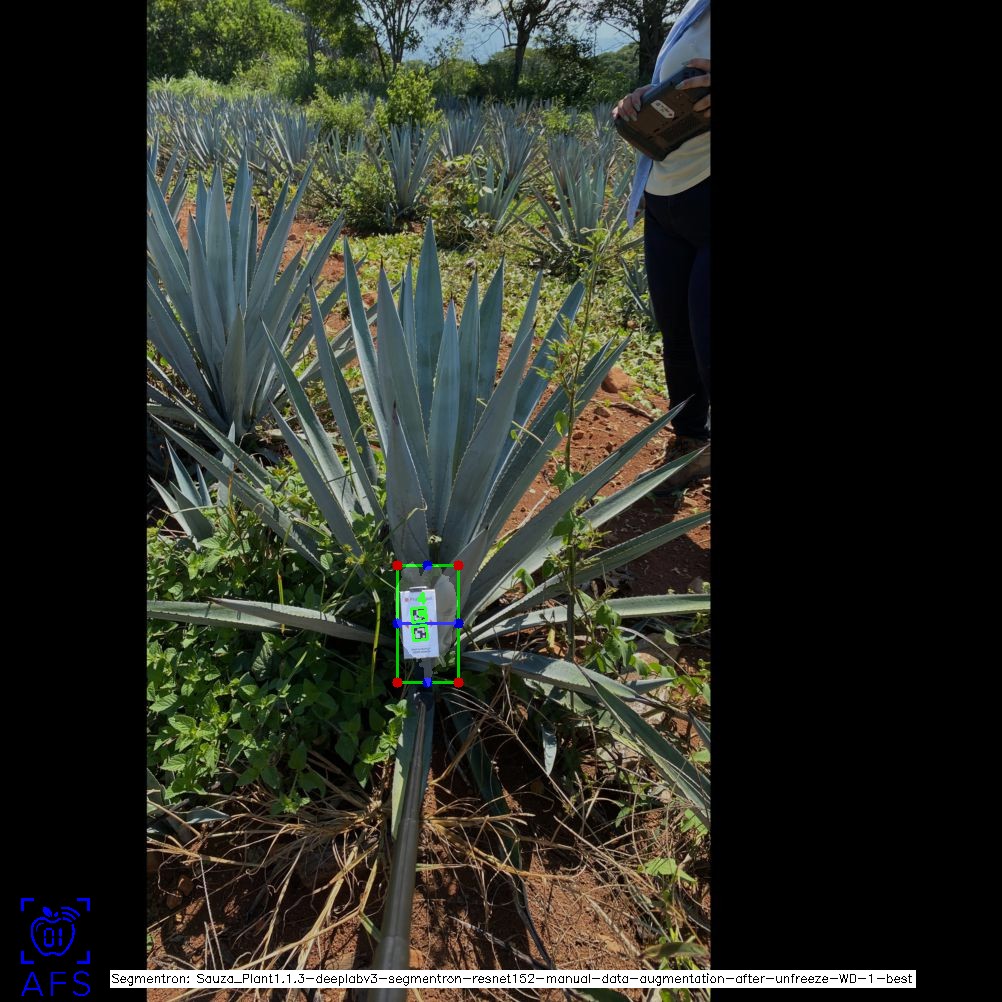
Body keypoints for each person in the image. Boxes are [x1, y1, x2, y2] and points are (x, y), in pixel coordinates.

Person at [613, 0, 710, 491]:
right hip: (664, 194)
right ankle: (691, 445)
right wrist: (639, 102)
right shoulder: (694, 9)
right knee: (677, 334)